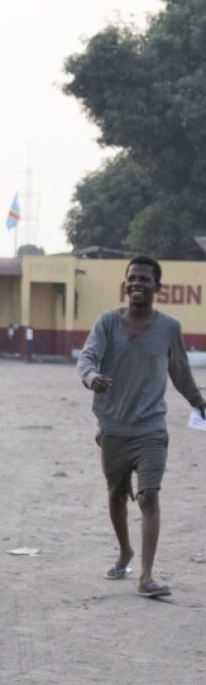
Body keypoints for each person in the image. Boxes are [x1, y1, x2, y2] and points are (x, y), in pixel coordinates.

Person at [77, 255, 205, 598]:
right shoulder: (107, 322)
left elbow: (179, 371)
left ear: (157, 287)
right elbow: (87, 357)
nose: (136, 284)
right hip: (114, 428)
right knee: (117, 496)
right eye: (132, 278)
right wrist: (91, 378)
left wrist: (198, 401)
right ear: (126, 283)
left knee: (149, 497)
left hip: (151, 430)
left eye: (144, 279)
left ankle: (146, 576)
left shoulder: (169, 328)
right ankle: (125, 552)